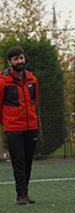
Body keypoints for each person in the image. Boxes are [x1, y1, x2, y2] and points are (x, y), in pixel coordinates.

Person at [0, 47, 39, 204]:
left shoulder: (32, 79)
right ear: (9, 62)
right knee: (18, 162)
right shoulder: (3, 82)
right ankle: (21, 195)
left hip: (31, 127)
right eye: (15, 59)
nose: (19, 61)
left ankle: (25, 193)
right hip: (13, 129)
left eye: (21, 58)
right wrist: (8, 121)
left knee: (28, 161)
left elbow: (33, 101)